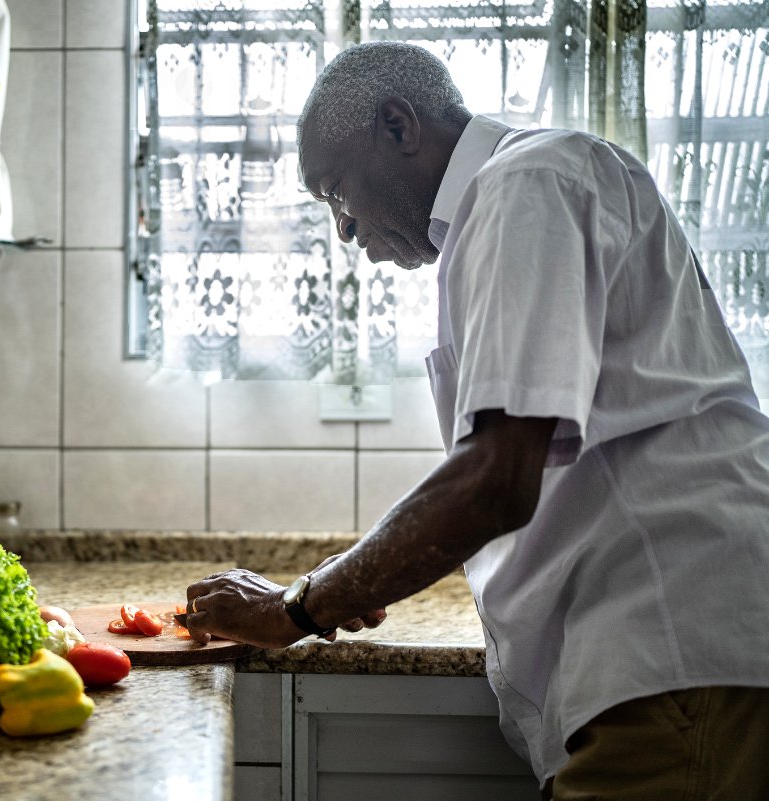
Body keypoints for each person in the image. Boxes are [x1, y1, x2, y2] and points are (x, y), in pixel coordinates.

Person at [182, 41, 769, 799]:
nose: (344, 231)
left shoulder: (527, 184)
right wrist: (367, 571)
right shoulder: (518, 198)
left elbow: (494, 480)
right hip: (674, 651)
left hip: (673, 644)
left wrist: (296, 606)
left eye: (336, 192)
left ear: (399, 126)